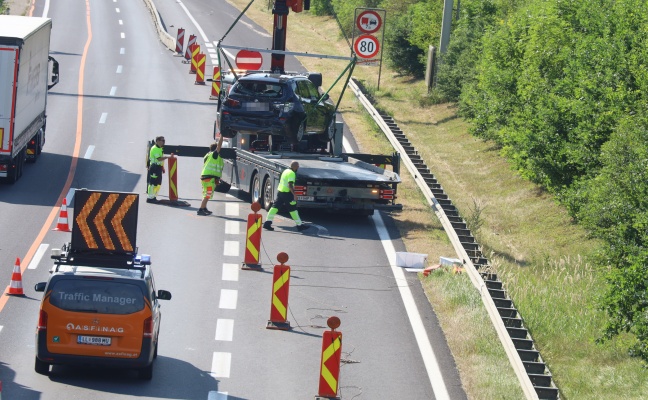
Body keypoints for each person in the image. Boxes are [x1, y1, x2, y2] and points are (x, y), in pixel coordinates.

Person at [263, 161, 309, 231]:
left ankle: (267, 222)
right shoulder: (292, 173)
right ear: (295, 167)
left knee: (275, 207)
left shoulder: (286, 171)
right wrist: (295, 195)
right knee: (293, 209)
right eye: (298, 166)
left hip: (280, 192)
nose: (298, 167)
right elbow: (290, 185)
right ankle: (299, 225)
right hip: (287, 194)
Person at [198, 135, 225, 216]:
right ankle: (201, 209)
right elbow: (219, 145)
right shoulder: (214, 155)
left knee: (206, 193)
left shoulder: (208, 155)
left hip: (207, 177)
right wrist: (222, 136)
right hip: (209, 178)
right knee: (207, 194)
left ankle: (204, 208)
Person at [147, 136, 172, 203]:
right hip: (154, 167)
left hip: (158, 167)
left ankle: (154, 197)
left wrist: (162, 167)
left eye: (164, 140)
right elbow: (159, 158)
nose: (163, 142)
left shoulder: (160, 148)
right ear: (157, 141)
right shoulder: (154, 148)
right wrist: (168, 157)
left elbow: (160, 160)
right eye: (162, 140)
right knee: (153, 183)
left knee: (158, 183)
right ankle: (150, 198)